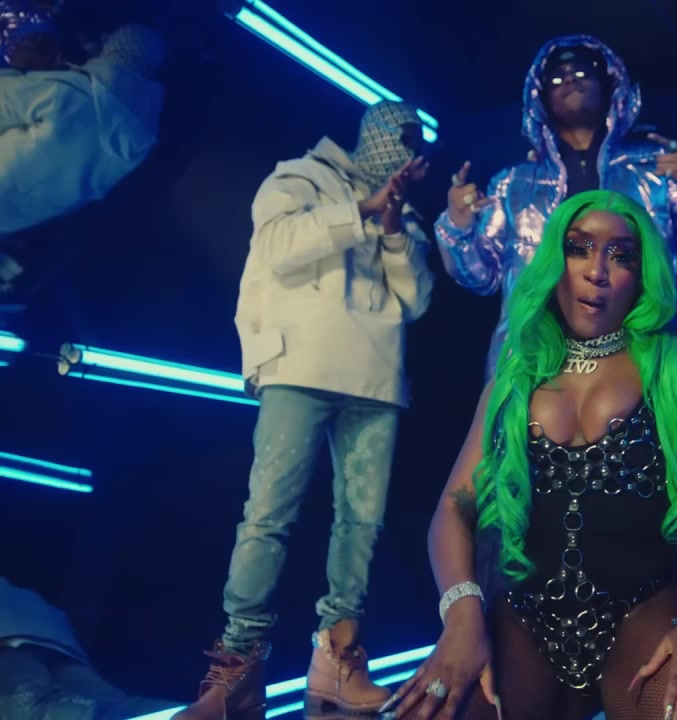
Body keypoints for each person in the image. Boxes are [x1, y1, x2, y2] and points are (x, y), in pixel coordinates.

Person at [388, 190, 677, 720]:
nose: (597, 271)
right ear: (554, 261)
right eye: (579, 248)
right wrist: (462, 617)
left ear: (642, 273)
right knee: (428, 712)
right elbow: (454, 506)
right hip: (524, 624)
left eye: (621, 255)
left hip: (645, 616)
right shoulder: (519, 367)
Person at [174, 101, 435, 720]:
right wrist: (362, 209)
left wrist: (392, 225)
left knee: (362, 522)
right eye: (398, 138)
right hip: (299, 364)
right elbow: (278, 246)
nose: (405, 152)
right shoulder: (300, 177)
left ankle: (337, 660)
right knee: (267, 515)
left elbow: (416, 298)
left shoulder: (404, 210)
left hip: (375, 376)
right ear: (372, 135)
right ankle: (237, 667)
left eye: (415, 143)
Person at [435, 34, 677, 380]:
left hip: (639, 357)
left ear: (608, 86)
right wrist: (458, 225)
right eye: (557, 79)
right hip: (537, 363)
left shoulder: (654, 168)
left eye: (581, 73)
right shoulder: (513, 183)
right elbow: (480, 276)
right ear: (540, 99)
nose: (570, 82)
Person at [0, 23, 166, 235]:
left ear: (112, 47)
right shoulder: (140, 143)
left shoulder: (72, 93)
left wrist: (19, 68)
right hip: (12, 221)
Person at [0, 577, 180, 720]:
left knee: (33, 709)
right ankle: (195, 712)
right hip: (32, 622)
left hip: (13, 625)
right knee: (114, 705)